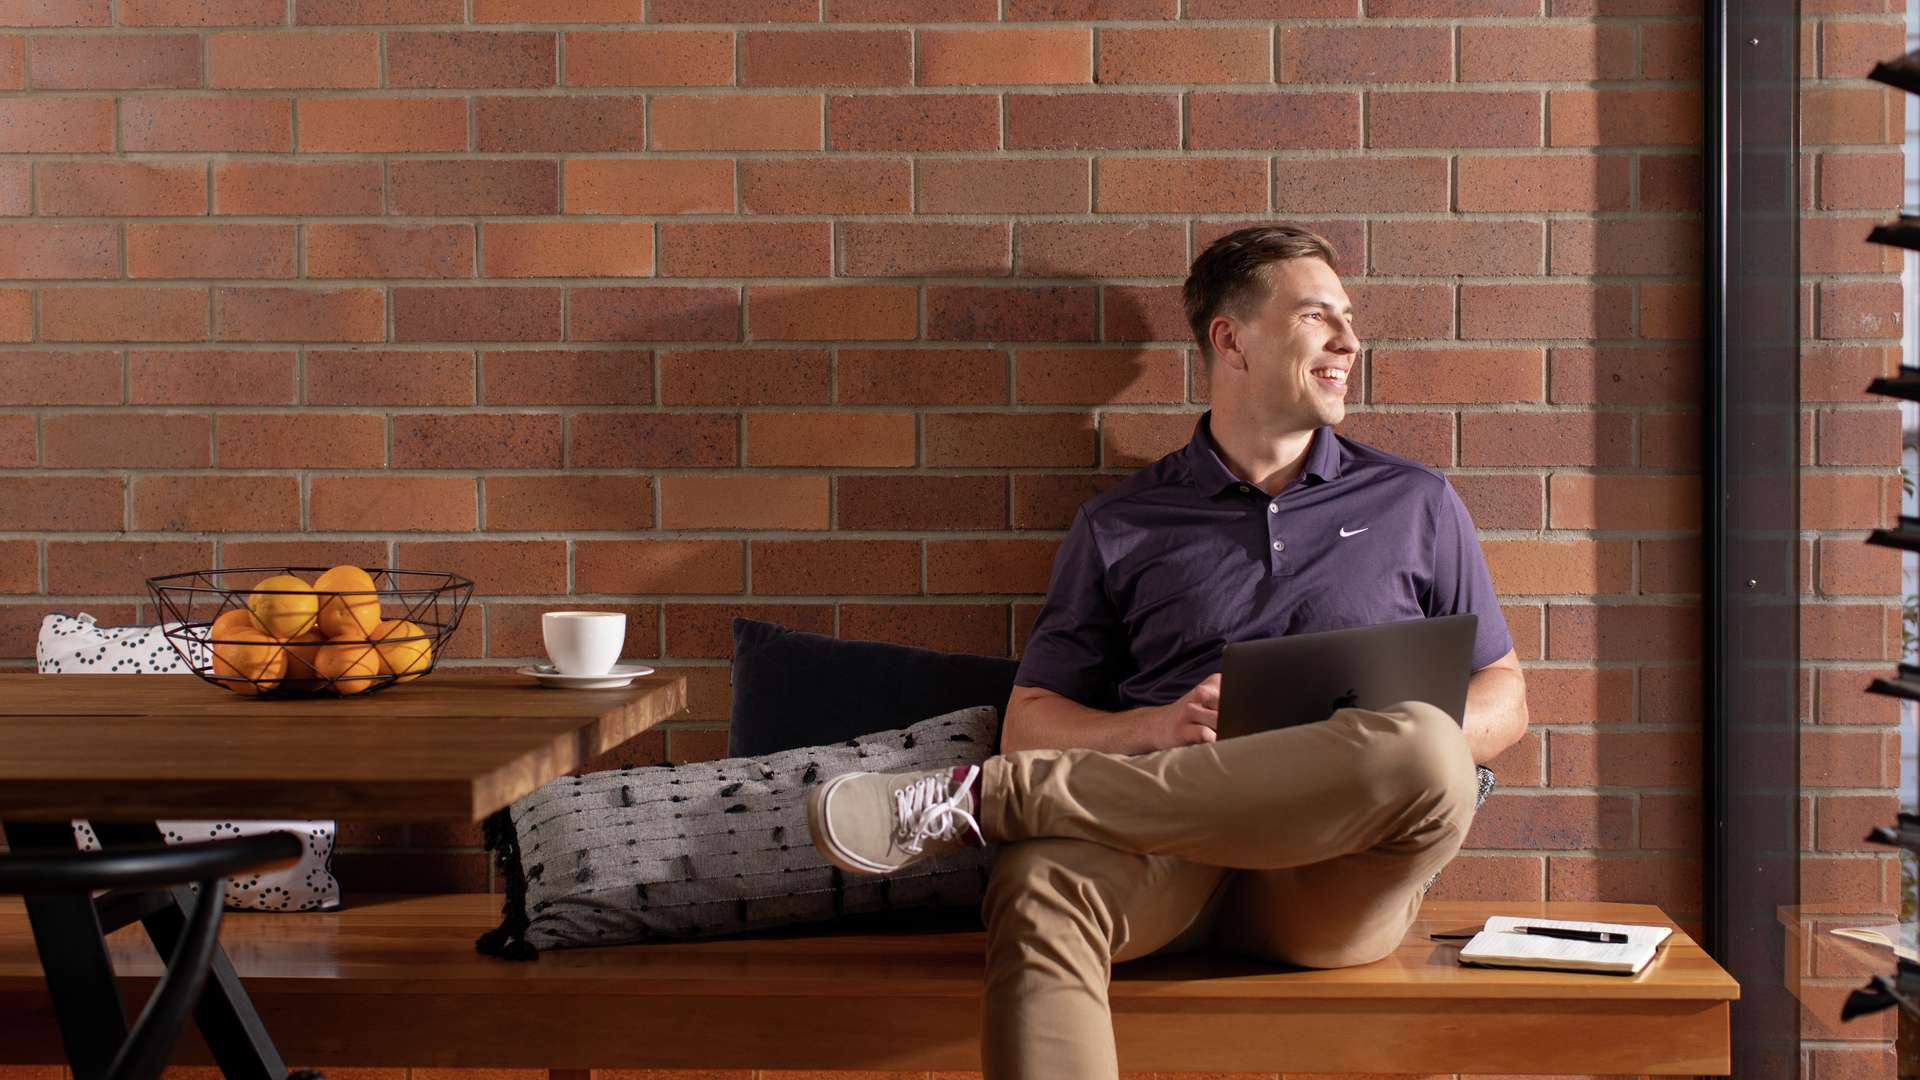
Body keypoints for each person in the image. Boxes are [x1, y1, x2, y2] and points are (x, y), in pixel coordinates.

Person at [806, 223, 1531, 1079]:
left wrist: (1361, 739)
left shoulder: (1416, 501)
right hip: (1158, 866)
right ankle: (1002, 810)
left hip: (1331, 885)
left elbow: (1507, 699)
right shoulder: (1121, 522)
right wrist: (1151, 727)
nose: (1349, 341)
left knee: (1429, 750)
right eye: (1317, 316)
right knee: (1038, 884)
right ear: (1232, 339)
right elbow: (1030, 723)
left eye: (1349, 318)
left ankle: (989, 803)